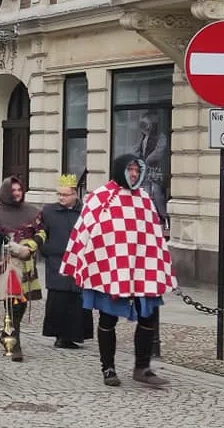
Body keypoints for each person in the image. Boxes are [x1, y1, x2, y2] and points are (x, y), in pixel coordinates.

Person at [60, 155, 175, 387]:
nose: (133, 174)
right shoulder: (100, 197)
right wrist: (81, 262)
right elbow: (85, 232)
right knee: (108, 317)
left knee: (148, 315)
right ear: (120, 170)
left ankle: (142, 367)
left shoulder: (144, 199)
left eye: (136, 170)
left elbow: (152, 235)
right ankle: (108, 367)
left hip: (142, 270)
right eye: (130, 169)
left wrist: (158, 266)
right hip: (110, 270)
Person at [33, 174, 93, 348]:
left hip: (78, 262)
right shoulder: (49, 211)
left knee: (77, 300)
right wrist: (48, 251)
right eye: (59, 194)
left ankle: (75, 335)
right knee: (58, 300)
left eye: (65, 195)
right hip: (57, 261)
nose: (61, 198)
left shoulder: (84, 211)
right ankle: (59, 336)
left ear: (75, 194)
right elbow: (41, 233)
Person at [0, 175, 42, 362]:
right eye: (14, 190)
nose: (17, 193)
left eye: (19, 190)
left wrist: (30, 247)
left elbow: (42, 232)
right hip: (8, 262)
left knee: (23, 302)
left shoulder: (32, 211)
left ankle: (7, 332)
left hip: (27, 262)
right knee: (13, 301)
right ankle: (14, 342)